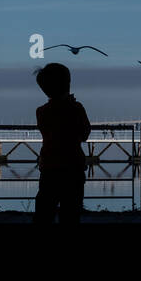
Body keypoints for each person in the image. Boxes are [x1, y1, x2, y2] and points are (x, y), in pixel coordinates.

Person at [33, 62, 91, 223]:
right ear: (67, 84)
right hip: (73, 167)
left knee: (44, 212)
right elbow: (85, 134)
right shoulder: (77, 108)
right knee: (71, 214)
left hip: (49, 167)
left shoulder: (41, 111)